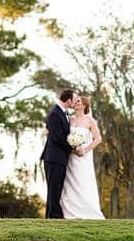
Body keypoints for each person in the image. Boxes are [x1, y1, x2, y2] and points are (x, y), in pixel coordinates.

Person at [59, 94, 106, 220]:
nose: (76, 103)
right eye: (75, 101)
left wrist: (84, 150)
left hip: (82, 158)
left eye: (78, 101)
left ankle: (88, 212)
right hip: (70, 157)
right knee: (69, 183)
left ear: (84, 105)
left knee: (82, 181)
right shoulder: (70, 119)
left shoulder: (90, 121)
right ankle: (69, 213)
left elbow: (98, 139)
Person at [41, 90, 77, 219]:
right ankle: (54, 216)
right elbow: (58, 137)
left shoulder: (63, 113)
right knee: (54, 188)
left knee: (57, 188)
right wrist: (71, 148)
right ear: (68, 100)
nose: (74, 103)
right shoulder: (54, 114)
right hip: (54, 157)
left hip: (60, 158)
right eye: (74, 100)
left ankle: (53, 215)